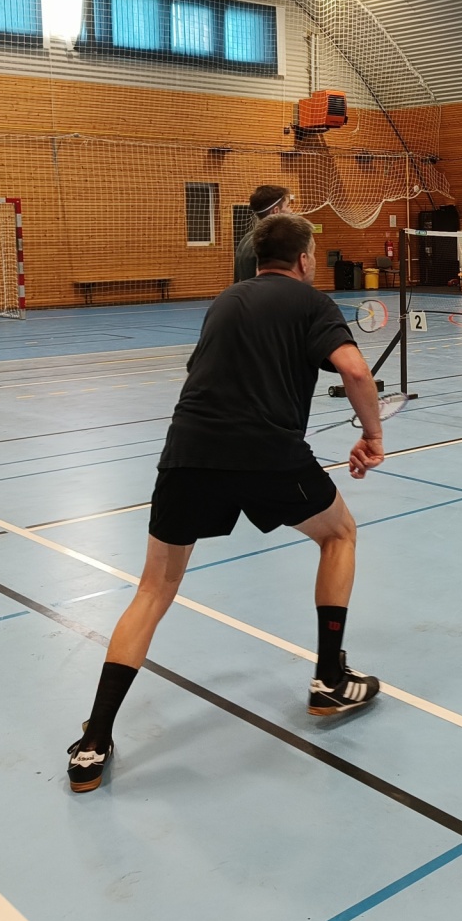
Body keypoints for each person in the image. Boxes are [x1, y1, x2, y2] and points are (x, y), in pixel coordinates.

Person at [66, 213, 385, 793]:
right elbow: (356, 372)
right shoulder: (312, 303)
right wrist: (372, 435)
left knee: (152, 590)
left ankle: (94, 742)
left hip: (188, 452)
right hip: (267, 454)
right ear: (305, 259)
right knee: (339, 534)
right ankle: (329, 678)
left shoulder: (223, 302)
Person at [233, 185, 292, 282]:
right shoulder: (271, 242)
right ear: (276, 211)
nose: (291, 210)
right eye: (288, 206)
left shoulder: (246, 239)